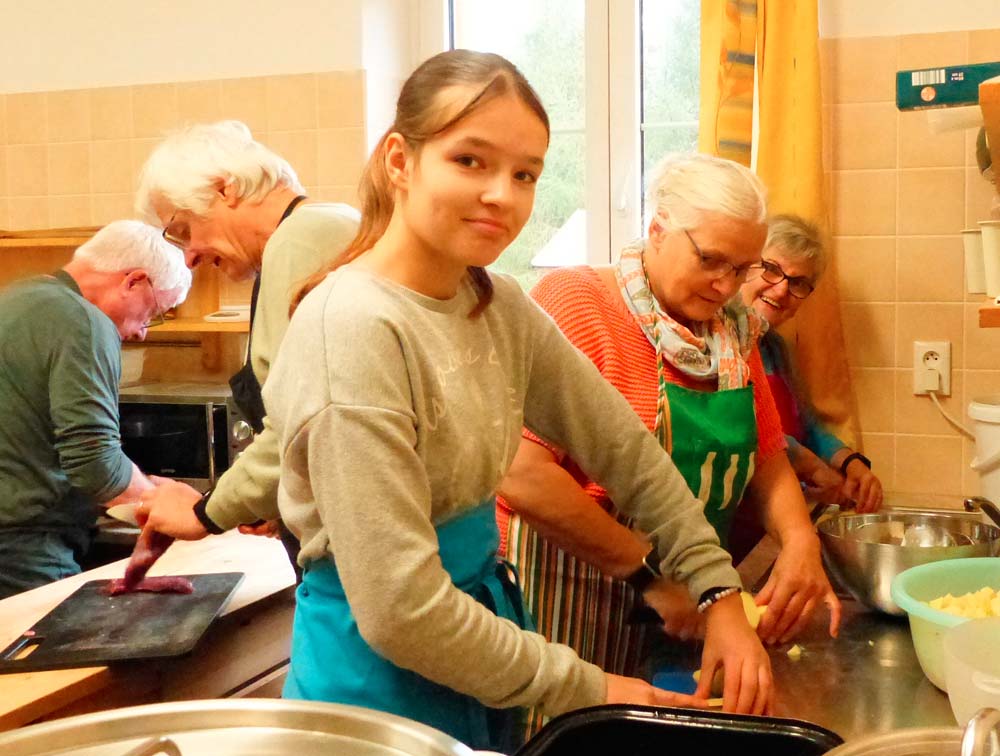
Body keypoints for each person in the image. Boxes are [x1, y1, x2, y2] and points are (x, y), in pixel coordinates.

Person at [262, 50, 772, 753]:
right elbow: (401, 612)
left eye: (525, 173)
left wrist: (718, 593)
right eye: (469, 160)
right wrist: (589, 685)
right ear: (400, 162)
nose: (502, 194)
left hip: (474, 647)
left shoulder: (495, 303)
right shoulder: (354, 328)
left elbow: (625, 451)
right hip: (374, 690)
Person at [496, 155, 840, 714]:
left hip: (684, 597)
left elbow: (767, 452)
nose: (726, 285)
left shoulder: (732, 331)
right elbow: (523, 475)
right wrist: (651, 579)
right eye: (711, 260)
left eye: (742, 268)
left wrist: (800, 541)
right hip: (566, 594)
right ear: (657, 229)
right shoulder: (578, 304)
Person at [132, 121, 360, 576]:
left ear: (226, 189)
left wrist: (204, 512)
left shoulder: (301, 240)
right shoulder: (324, 226)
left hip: (351, 561)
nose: (189, 256)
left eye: (183, 229)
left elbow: (300, 422)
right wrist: (280, 498)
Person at [0, 220, 191, 598]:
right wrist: (163, 505)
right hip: (23, 544)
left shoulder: (16, 298)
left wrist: (143, 484)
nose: (143, 331)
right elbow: (94, 461)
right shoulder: (84, 322)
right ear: (133, 281)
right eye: (153, 312)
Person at [740, 214, 883, 513]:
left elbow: (806, 426)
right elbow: (745, 430)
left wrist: (850, 462)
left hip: (776, 510)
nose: (782, 290)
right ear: (745, 267)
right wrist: (810, 465)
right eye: (771, 269)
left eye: (798, 282)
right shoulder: (715, 346)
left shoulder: (776, 348)